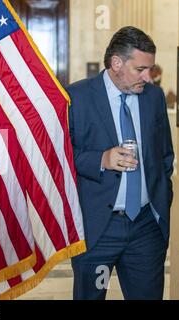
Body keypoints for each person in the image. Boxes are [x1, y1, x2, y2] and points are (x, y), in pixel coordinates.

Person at [67, 26, 174, 300]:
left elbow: (165, 156)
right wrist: (101, 159)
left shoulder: (153, 97)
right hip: (98, 230)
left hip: (146, 229)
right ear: (116, 63)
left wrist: (161, 202)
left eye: (150, 69)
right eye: (140, 69)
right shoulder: (75, 98)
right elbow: (61, 158)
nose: (148, 77)